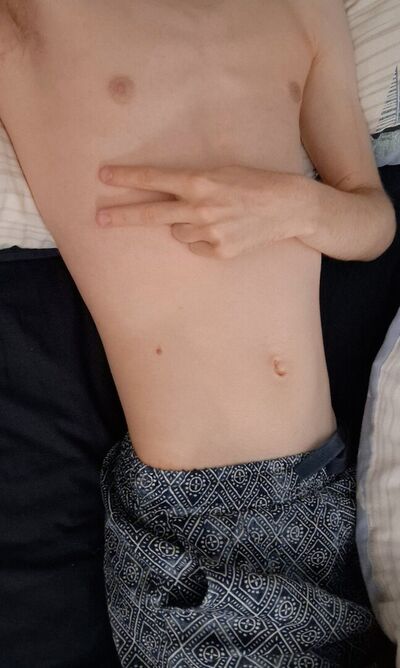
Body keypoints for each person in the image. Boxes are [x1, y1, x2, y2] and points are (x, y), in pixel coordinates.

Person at [0, 1, 395, 665]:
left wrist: (294, 207)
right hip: (198, 525)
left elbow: (371, 217)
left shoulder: (308, 7)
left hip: (338, 494)